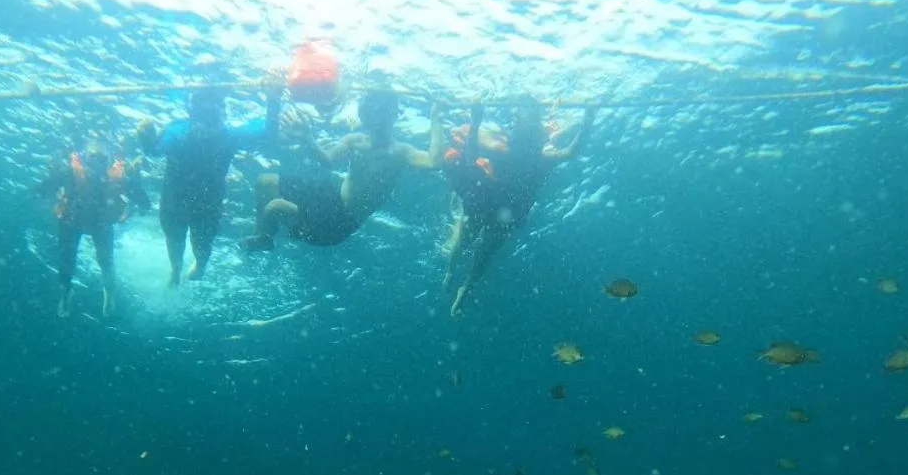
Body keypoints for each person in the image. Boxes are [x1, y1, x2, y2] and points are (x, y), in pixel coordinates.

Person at [239, 90, 444, 251]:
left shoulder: (401, 152)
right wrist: (307, 138)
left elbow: (433, 162)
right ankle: (264, 236)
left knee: (274, 207)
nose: (373, 115)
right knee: (265, 181)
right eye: (369, 109)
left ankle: (269, 236)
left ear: (392, 115)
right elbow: (327, 160)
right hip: (330, 199)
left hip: (341, 222)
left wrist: (436, 119)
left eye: (379, 110)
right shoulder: (355, 141)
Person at [442, 99, 591, 316]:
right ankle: (453, 273)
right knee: (478, 246)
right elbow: (572, 152)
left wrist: (476, 121)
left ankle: (461, 282)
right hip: (499, 205)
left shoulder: (535, 154)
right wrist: (588, 121)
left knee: (479, 247)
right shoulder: (520, 152)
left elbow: (571, 152)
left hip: (502, 207)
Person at [137, 85, 282, 287]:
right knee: (175, 239)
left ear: (221, 115)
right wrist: (147, 138)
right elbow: (154, 151)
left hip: (206, 205)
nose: (205, 126)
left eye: (211, 117)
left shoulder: (228, 135)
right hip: (175, 202)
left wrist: (274, 98)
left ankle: (199, 264)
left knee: (202, 247)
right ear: (191, 115)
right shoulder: (179, 132)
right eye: (200, 116)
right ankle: (176, 270)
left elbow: (268, 134)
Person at [37, 138, 149, 317]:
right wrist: (140, 204)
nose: (96, 164)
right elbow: (45, 188)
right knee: (71, 260)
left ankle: (105, 292)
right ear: (85, 157)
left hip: (92, 221)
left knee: (102, 261)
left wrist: (138, 203)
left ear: (107, 160)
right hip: (76, 220)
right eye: (93, 158)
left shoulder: (117, 175)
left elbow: (43, 189)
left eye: (100, 159)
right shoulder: (71, 171)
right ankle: (67, 292)